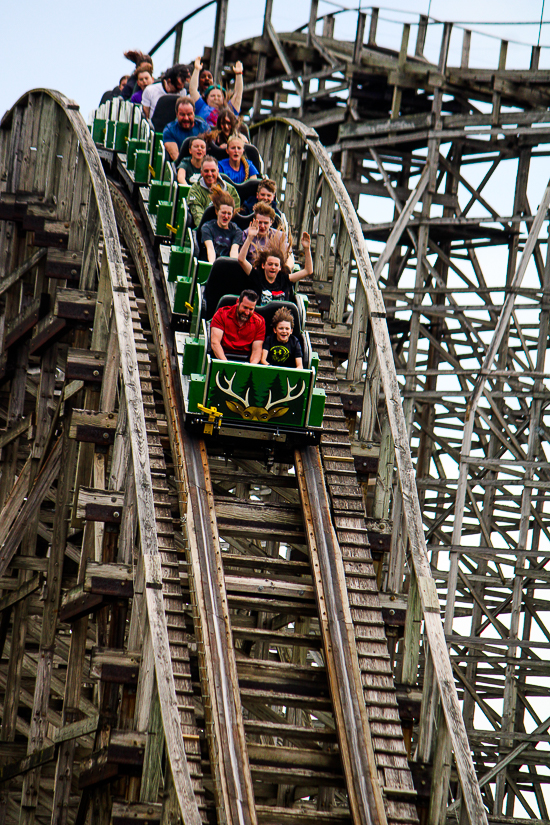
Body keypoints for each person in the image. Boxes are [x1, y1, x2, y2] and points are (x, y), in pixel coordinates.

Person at [238, 230, 312, 306]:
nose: (273, 267)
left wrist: (307, 248)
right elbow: (241, 260)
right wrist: (250, 238)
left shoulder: (285, 279)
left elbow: (308, 271)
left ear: (280, 267)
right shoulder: (257, 276)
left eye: (276, 265)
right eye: (270, 264)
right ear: (263, 265)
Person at [210, 290, 265, 363]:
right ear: (238, 302)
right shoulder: (221, 314)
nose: (247, 312)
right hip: (222, 357)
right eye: (245, 307)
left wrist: (250, 367)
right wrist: (226, 363)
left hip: (246, 360)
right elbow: (215, 342)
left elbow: (257, 350)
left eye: (251, 309)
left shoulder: (259, 322)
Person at [189, 57, 244, 128]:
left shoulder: (229, 109)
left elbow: (238, 93)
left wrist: (239, 74)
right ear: (207, 99)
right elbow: (193, 89)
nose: (215, 98)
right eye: (212, 96)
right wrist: (197, 70)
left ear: (223, 98)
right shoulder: (201, 106)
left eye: (219, 96)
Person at [187, 156, 240, 226]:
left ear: (218, 171)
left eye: (212, 171)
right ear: (201, 172)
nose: (209, 174)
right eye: (206, 171)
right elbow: (198, 217)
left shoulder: (230, 190)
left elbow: (235, 216)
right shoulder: (195, 190)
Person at [201, 191, 243, 262]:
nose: (226, 216)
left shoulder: (237, 231)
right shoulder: (207, 228)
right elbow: (210, 249)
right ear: (217, 212)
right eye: (223, 213)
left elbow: (234, 251)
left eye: (229, 214)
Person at [163, 97, 208, 162]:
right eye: (182, 114)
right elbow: (176, 157)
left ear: (194, 113)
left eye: (189, 114)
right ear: (177, 114)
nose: (186, 118)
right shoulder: (169, 130)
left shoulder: (204, 128)